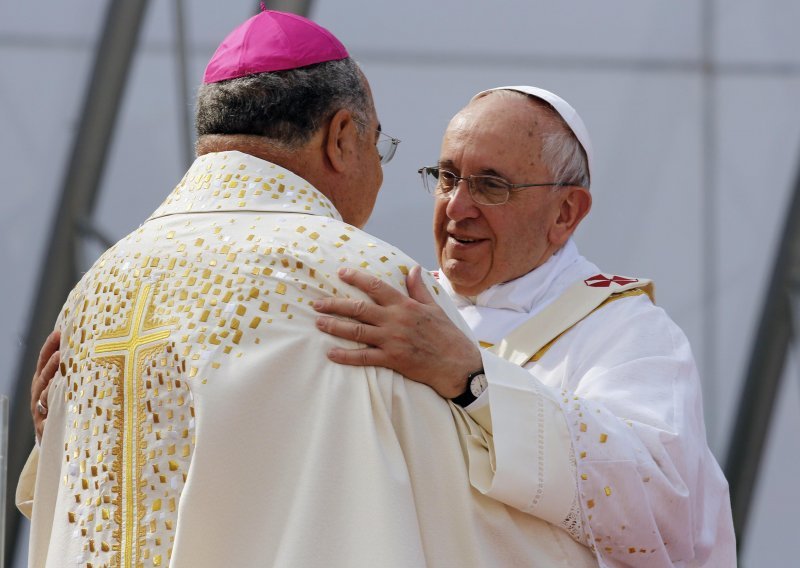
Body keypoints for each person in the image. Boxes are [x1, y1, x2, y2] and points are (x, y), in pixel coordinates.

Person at [18, 11, 601, 568]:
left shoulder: (96, 288)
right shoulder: (363, 281)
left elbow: (79, 508)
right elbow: (459, 520)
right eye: (381, 146)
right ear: (341, 137)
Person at [312, 86, 737, 566]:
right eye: (448, 177)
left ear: (566, 212)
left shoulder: (627, 331)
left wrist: (476, 382)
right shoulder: (399, 307)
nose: (456, 207)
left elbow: (661, 510)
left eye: (492, 186)